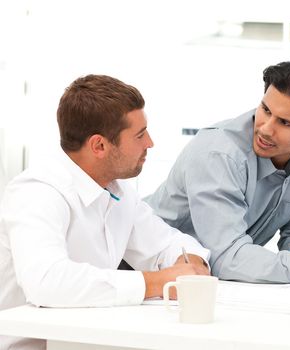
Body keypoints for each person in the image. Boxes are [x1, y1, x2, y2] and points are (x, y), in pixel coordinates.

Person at [0, 75, 211, 350]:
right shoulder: (38, 192)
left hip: (85, 339)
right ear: (99, 145)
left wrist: (190, 265)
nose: (150, 143)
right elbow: (47, 280)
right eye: (139, 135)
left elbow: (166, 243)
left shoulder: (116, 190)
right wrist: (156, 282)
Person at [145, 58, 290, 289]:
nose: (266, 128)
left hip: (207, 284)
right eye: (265, 110)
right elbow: (226, 256)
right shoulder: (219, 154)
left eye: (285, 123)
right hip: (145, 273)